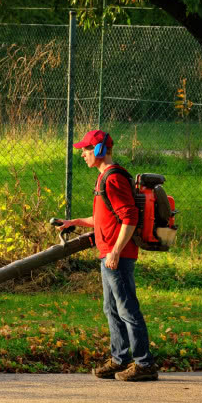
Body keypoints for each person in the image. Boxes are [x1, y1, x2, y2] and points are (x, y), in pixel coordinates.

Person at [55, 129, 158, 382]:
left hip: (117, 257)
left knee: (127, 309)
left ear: (100, 150)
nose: (82, 154)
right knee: (111, 309)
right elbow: (105, 217)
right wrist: (75, 221)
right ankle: (119, 359)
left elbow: (129, 217)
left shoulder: (112, 179)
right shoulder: (104, 178)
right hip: (110, 254)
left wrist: (115, 251)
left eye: (87, 150)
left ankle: (144, 363)